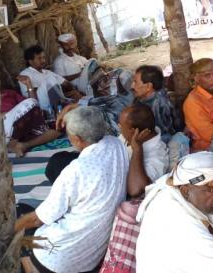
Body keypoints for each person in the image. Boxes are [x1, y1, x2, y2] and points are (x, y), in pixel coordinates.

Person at [14, 107, 129, 273]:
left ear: (77, 139)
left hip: (55, 261)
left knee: (21, 214)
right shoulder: (115, 144)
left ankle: (30, 266)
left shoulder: (75, 171)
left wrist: (6, 233)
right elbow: (97, 116)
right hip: (90, 260)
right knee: (58, 163)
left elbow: (37, 219)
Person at [118, 104, 169, 198]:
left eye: (121, 126)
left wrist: (137, 150)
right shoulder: (127, 136)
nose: (119, 128)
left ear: (134, 132)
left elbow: (136, 190)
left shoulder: (158, 156)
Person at [18, 45, 82, 110]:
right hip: (43, 106)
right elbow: (35, 97)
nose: (43, 60)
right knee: (49, 80)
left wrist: (71, 91)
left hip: (59, 99)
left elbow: (66, 84)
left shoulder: (48, 72)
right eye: (39, 58)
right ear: (31, 61)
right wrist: (57, 87)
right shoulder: (25, 74)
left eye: (43, 57)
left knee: (75, 94)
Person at [2, 89, 62, 157]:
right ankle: (10, 139)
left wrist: (29, 85)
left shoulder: (8, 93)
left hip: (25, 122)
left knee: (59, 128)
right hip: (5, 123)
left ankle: (21, 145)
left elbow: (33, 103)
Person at [132, 65, 182, 143]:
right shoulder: (140, 99)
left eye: (135, 82)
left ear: (148, 86)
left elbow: (166, 136)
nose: (132, 86)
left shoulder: (162, 104)